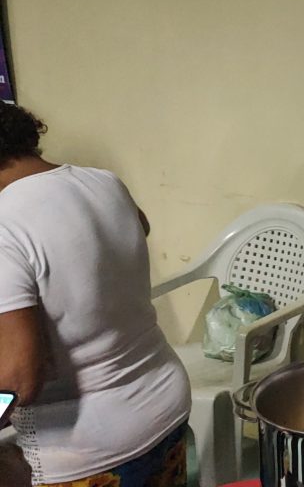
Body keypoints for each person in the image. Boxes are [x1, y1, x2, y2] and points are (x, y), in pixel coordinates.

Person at [0, 103, 191, 486]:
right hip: (164, 401)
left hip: (85, 447)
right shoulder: (103, 182)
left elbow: (19, 378)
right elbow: (141, 226)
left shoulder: (4, 222)